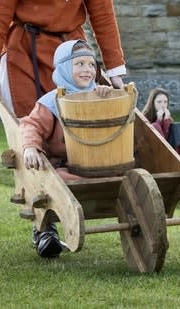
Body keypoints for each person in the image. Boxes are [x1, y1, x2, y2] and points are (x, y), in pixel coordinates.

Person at [19, 39, 113, 258]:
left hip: (96, 162)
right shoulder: (51, 102)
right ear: (63, 68)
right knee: (55, 182)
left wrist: (107, 97)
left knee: (123, 175)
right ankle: (44, 230)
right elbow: (31, 125)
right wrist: (31, 147)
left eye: (91, 65)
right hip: (65, 165)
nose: (87, 70)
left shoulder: (98, 95)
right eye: (79, 64)